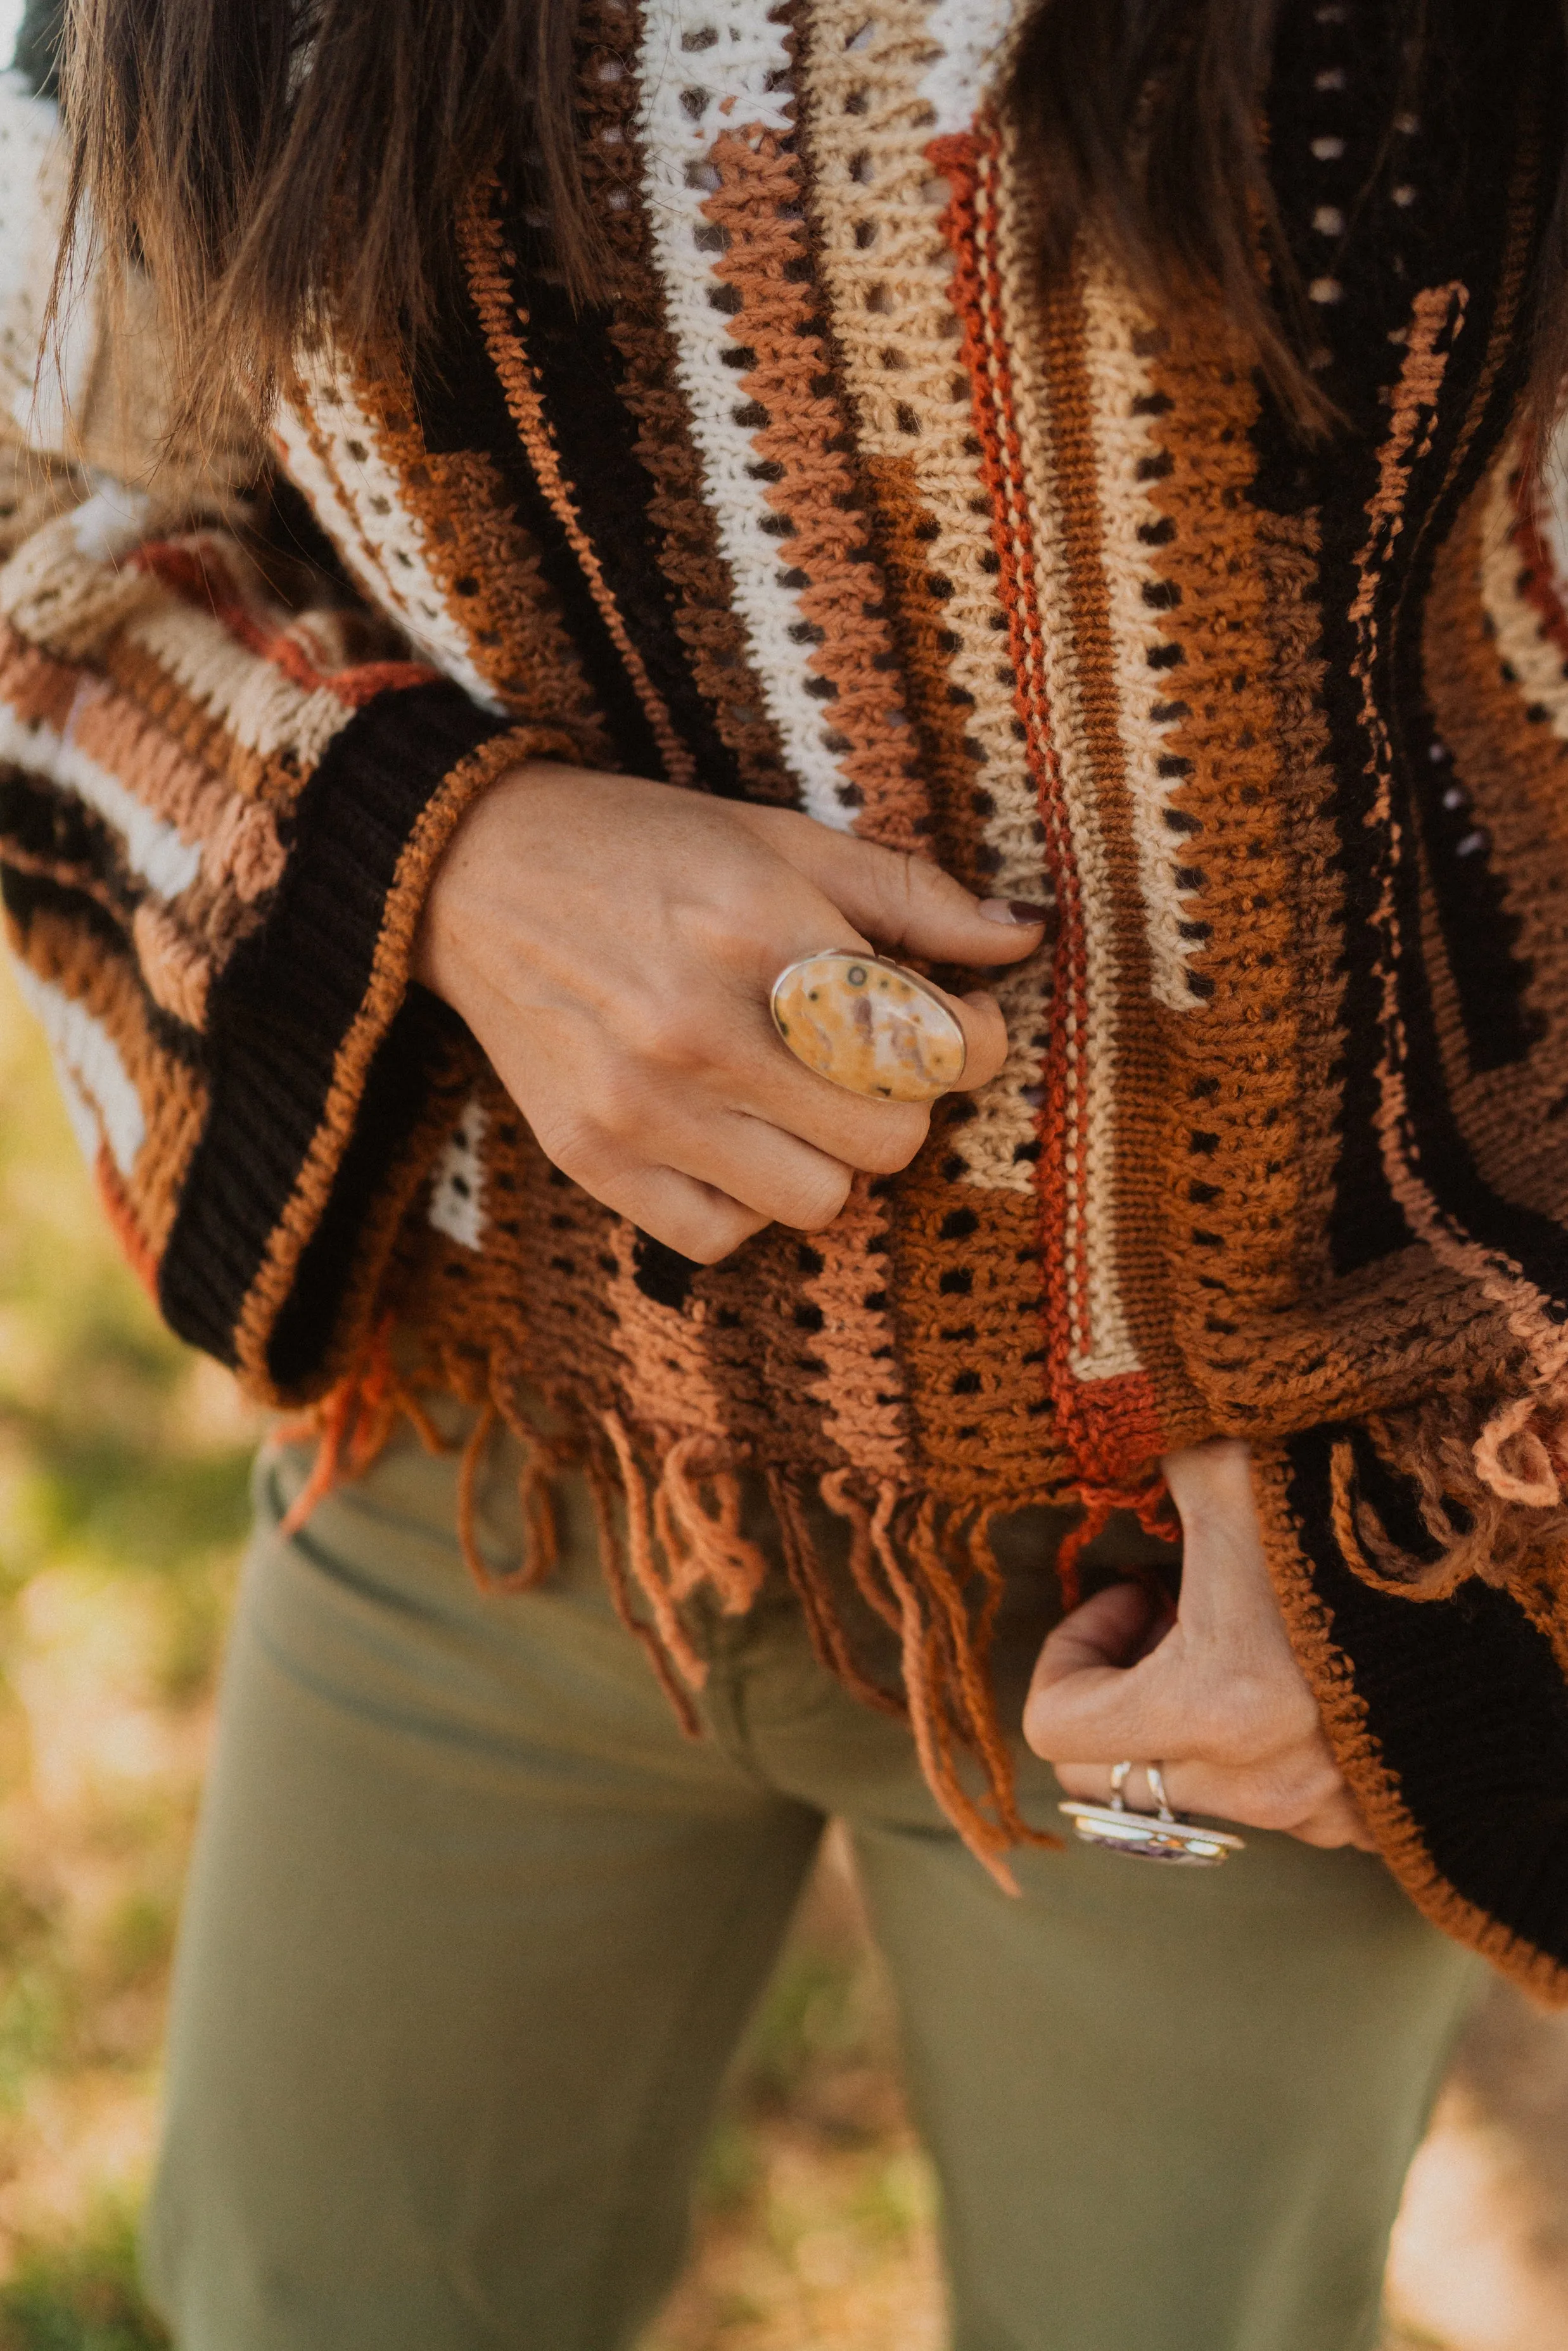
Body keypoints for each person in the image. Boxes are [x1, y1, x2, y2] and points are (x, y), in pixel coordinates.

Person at [2, 0, 1566, 2342]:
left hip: (1244, 1580)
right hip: (498, 1459)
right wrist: (433, 860)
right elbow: (44, 475)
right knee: (300, 2290)